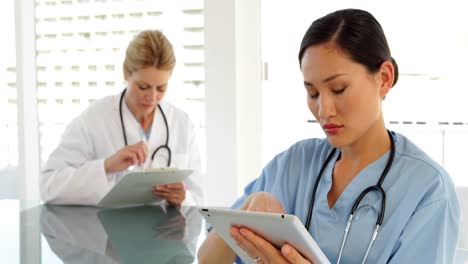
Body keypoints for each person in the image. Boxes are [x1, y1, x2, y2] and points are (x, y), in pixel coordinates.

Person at [198, 8, 460, 264]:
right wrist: (248, 209)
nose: (324, 110)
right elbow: (207, 258)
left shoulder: (428, 190)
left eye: (338, 89)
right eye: (312, 93)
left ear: (384, 77)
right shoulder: (294, 164)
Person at [40, 30, 203, 206]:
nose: (152, 96)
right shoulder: (94, 119)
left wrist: (183, 198)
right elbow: (49, 186)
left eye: (161, 88)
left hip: (165, 232)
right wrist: (107, 166)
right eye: (143, 86)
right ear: (126, 73)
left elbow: (198, 198)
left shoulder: (182, 123)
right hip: (105, 230)